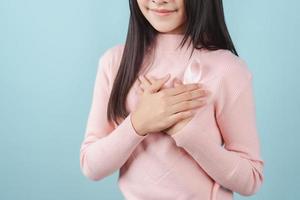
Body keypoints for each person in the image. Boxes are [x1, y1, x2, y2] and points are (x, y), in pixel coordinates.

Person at [79, 0, 265, 199]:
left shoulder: (227, 69)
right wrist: (138, 123)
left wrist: (185, 131)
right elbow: (91, 166)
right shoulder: (115, 63)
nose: (159, 0)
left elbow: (250, 180)